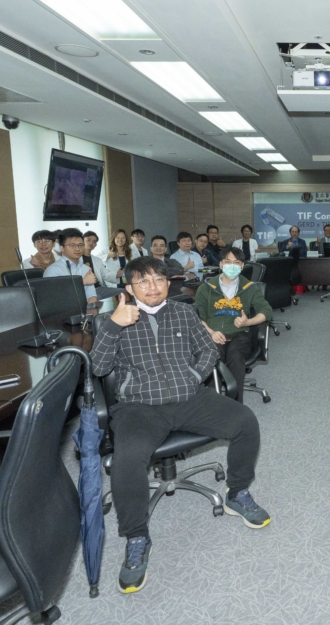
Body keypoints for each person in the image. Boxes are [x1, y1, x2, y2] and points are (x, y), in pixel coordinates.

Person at [90, 257, 268, 594]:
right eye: (143, 281)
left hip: (189, 398)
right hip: (140, 407)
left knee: (245, 422)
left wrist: (192, 376)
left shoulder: (184, 313)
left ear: (168, 282)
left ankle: (237, 492)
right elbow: (98, 369)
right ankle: (136, 537)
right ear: (129, 288)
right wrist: (113, 325)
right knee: (128, 460)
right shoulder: (113, 320)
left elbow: (208, 351)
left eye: (159, 279)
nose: (153, 287)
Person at [195, 248, 273, 403]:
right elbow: (197, 316)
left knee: (236, 357)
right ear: (220, 264)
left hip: (240, 334)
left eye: (236, 263)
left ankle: (235, 406)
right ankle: (213, 404)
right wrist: (210, 332)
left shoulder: (249, 288)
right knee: (211, 358)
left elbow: (267, 311)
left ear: (242, 266)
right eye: (227, 262)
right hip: (213, 333)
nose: (232, 266)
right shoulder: (206, 288)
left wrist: (248, 322)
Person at [44, 228, 98, 303]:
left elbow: (91, 295)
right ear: (62, 248)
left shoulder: (86, 269)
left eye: (80, 245)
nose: (77, 249)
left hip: (85, 308)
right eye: (72, 245)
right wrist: (82, 282)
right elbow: (53, 297)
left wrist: (92, 308)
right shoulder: (53, 270)